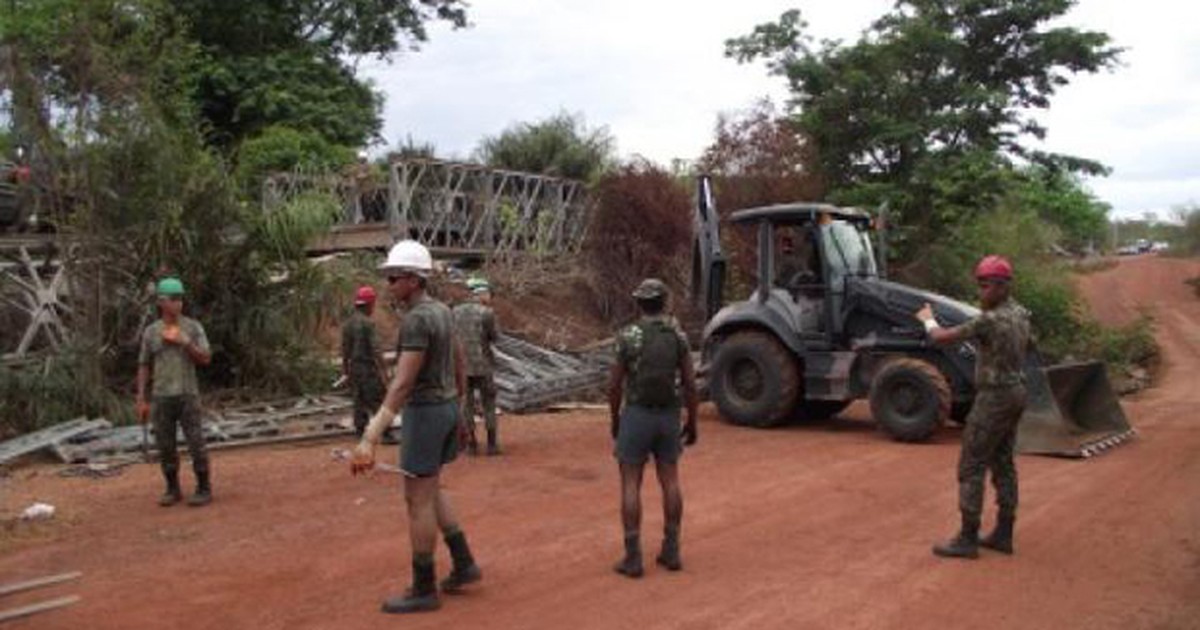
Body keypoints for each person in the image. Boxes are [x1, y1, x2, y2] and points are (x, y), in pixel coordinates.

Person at [350, 240, 482, 614]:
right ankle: (464, 561)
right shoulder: (443, 311)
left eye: (394, 277)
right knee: (432, 486)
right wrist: (458, 409)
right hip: (444, 408)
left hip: (425, 412)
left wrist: (369, 436)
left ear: (413, 279)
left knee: (417, 499)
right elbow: (459, 359)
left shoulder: (417, 320)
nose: (389, 284)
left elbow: (403, 383)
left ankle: (424, 586)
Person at [916, 255, 1031, 559]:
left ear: (1001, 286)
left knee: (971, 465)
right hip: (1017, 392)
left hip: (994, 397)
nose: (980, 292)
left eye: (984, 285)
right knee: (1004, 462)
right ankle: (1004, 533)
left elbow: (941, 338)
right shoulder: (1020, 314)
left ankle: (967, 538)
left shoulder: (989, 320)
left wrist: (927, 318)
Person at [609, 278, 699, 578]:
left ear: (639, 303)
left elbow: (614, 384)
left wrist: (615, 420)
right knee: (670, 481)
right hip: (668, 417)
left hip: (636, 414)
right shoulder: (677, 335)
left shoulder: (628, 336)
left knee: (630, 483)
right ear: (664, 302)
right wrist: (693, 420)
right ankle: (671, 549)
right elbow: (689, 383)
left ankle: (633, 556)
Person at [136, 277, 213, 507]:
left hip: (187, 394)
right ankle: (172, 487)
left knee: (196, 442)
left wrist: (185, 342)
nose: (178, 303)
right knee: (165, 444)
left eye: (180, 299)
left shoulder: (192, 327)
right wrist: (141, 397)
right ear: (161, 302)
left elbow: (206, 358)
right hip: (161, 396)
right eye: (173, 299)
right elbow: (143, 364)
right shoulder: (151, 332)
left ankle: (203, 486)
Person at [452, 277, 500, 455]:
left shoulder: (454, 312)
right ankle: (492, 444)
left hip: (462, 366)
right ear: (480, 293)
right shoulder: (486, 313)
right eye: (487, 293)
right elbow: (495, 337)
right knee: (488, 402)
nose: (489, 297)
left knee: (467, 405)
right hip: (483, 365)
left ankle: (471, 444)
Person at [341, 285, 394, 443]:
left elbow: (345, 350)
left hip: (354, 369)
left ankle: (360, 432)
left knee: (358, 401)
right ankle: (386, 433)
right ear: (370, 304)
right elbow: (376, 349)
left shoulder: (348, 324)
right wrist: (385, 371)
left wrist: (346, 371)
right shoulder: (368, 324)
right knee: (378, 400)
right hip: (368, 369)